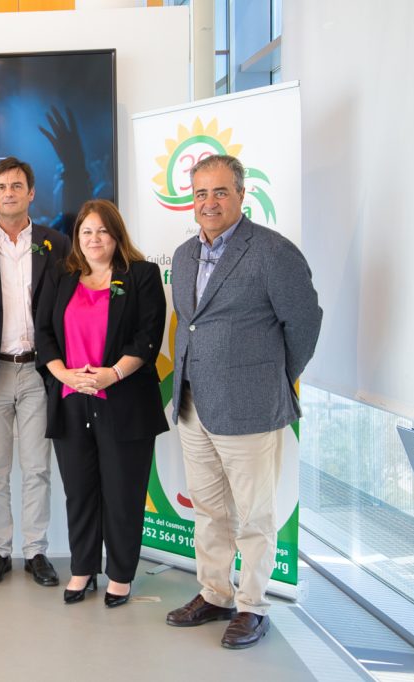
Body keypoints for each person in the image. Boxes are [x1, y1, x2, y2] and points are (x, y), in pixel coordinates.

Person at [165, 155, 321, 648]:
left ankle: (253, 606)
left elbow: (304, 324)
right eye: (201, 193)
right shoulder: (185, 255)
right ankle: (215, 594)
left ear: (241, 194)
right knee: (209, 509)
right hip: (193, 404)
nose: (209, 203)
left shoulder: (273, 252)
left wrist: (274, 377)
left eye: (220, 192)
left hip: (251, 407)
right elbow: (191, 325)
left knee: (254, 516)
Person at [35, 198, 168, 608]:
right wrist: (63, 374)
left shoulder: (141, 275)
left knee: (123, 493)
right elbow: (44, 333)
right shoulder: (62, 276)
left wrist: (113, 374)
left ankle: (121, 574)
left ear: (116, 235)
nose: (94, 239)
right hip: (71, 400)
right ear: (77, 237)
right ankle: (83, 568)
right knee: (80, 491)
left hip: (123, 401)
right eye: (86, 231)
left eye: (102, 231)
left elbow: (148, 336)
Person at [0, 157, 70, 588]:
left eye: (17, 186)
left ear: (31, 193)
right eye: (2, 187)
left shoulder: (56, 243)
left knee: (37, 467)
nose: (9, 193)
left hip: (40, 370)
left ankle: (37, 550)